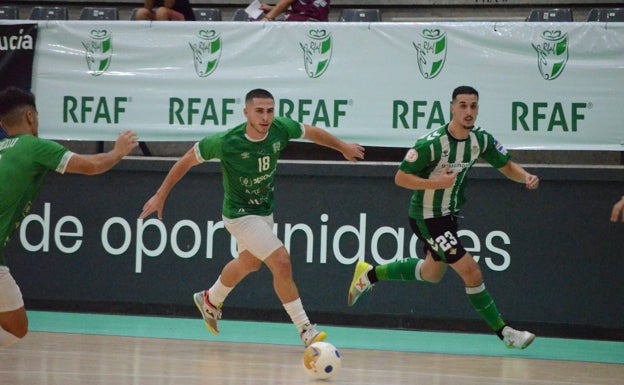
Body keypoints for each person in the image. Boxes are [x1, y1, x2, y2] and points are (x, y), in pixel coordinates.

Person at [139, 88, 364, 347]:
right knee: (281, 261)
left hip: (264, 212)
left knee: (249, 263)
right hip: (239, 215)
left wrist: (343, 147)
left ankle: (210, 298)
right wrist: (160, 195)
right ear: (246, 113)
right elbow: (186, 161)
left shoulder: (281, 128)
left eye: (270, 111)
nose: (265, 117)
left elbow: (312, 132)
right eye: (259, 111)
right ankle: (305, 328)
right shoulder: (226, 142)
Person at [347, 85, 539, 349]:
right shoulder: (432, 143)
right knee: (472, 272)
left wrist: (525, 176)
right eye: (462, 105)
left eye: (473, 106)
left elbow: (505, 166)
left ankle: (368, 275)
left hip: (449, 216)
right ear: (451, 107)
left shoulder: (480, 140)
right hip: (426, 217)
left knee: (431, 273)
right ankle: (505, 333)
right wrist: (436, 184)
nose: (468, 111)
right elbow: (400, 178)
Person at [0, 86, 139, 348]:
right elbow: (92, 165)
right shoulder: (34, 147)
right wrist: (117, 152)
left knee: (17, 326)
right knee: (17, 329)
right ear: (30, 117)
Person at [260, 0, 330, 22]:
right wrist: (272, 9)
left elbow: (286, 2)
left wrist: (267, 18)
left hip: (310, 22)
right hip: (310, 19)